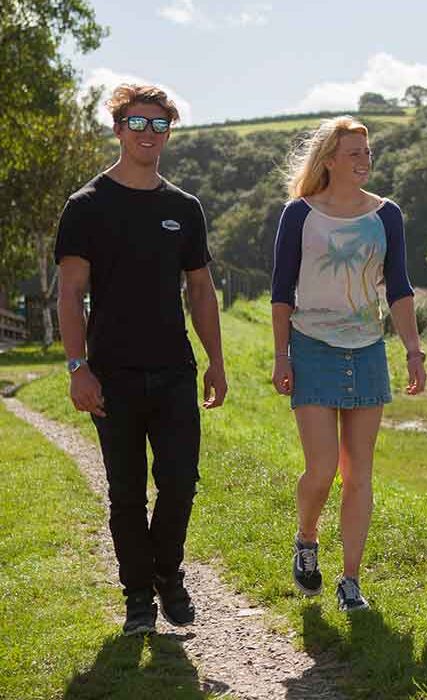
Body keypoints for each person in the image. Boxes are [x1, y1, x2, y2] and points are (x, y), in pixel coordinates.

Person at [55, 84, 227, 636]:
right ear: (118, 128)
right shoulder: (86, 206)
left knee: (180, 483)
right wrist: (77, 367)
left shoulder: (184, 208)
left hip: (175, 370)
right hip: (113, 375)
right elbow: (69, 292)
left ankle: (167, 573)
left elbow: (200, 290)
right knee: (126, 492)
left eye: (159, 125)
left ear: (169, 132)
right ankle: (138, 598)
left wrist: (215, 361)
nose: (148, 134)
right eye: (138, 123)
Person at [270, 116, 425, 611]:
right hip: (311, 346)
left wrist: (413, 350)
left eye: (367, 152)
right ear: (329, 160)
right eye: (354, 152)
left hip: (367, 349)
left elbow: (398, 287)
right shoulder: (299, 215)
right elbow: (280, 293)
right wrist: (281, 355)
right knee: (321, 470)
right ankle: (306, 539)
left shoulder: (387, 215)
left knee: (359, 473)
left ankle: (351, 581)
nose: (364, 160)